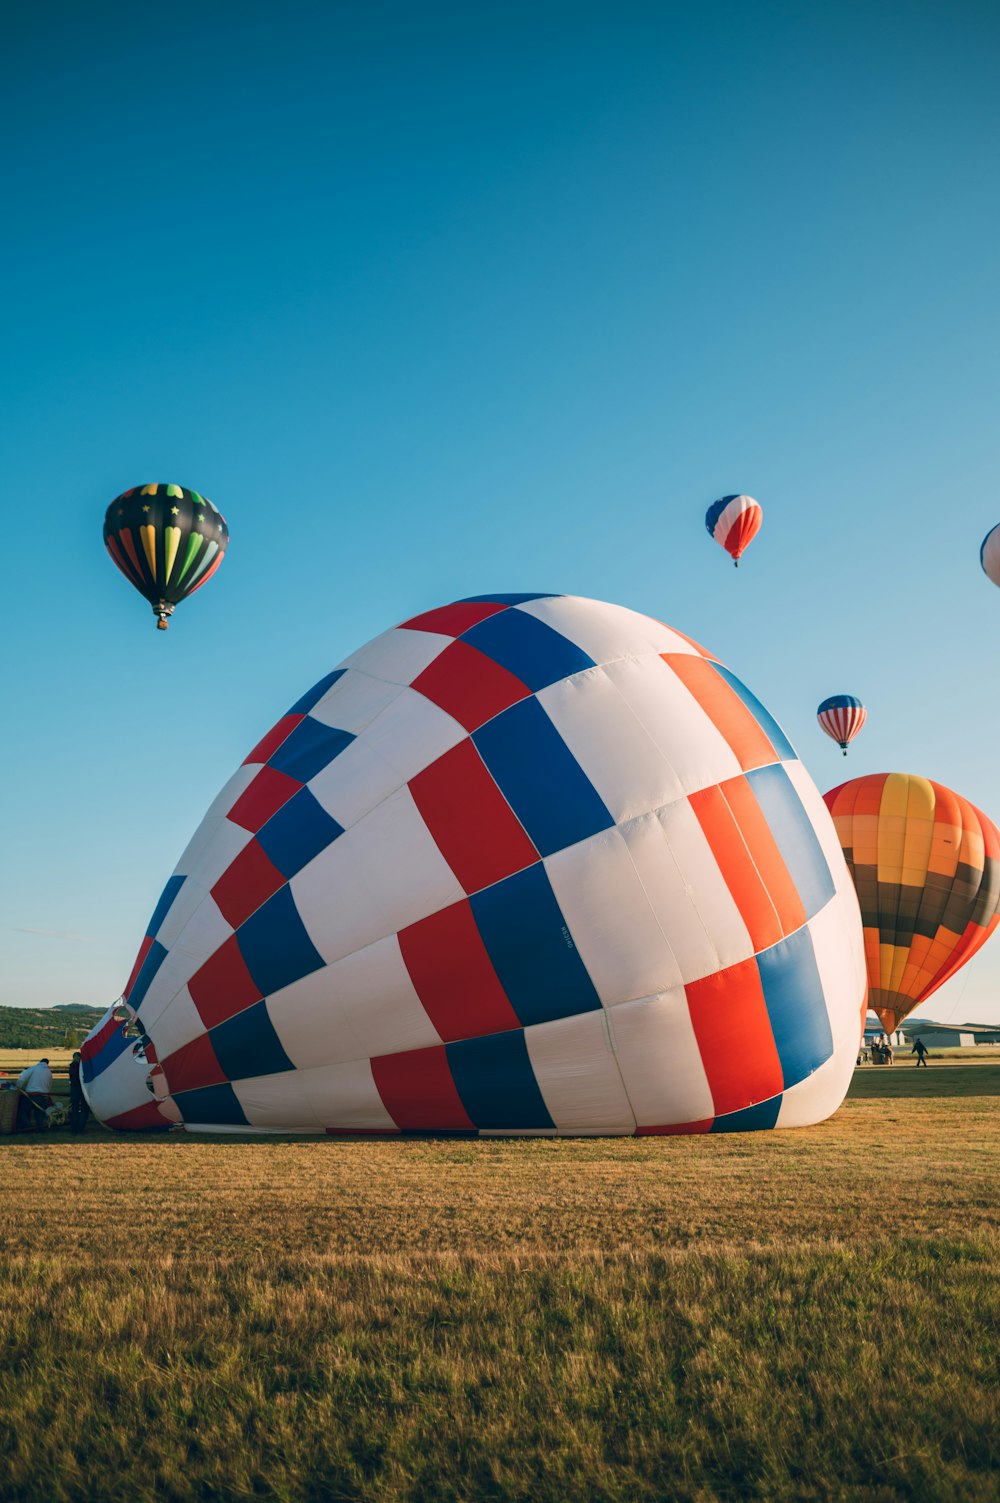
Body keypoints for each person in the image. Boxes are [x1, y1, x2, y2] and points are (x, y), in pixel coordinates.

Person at [16, 1057, 53, 1128]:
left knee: (21, 1110)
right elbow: (49, 1085)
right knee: (39, 1114)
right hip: (43, 1095)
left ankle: (26, 1126)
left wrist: (18, 1087)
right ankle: (39, 1128)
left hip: (31, 1095)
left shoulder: (34, 1068)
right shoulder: (49, 1072)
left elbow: (22, 1078)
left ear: (40, 1061)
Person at [68, 1051, 88, 1132]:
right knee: (84, 1109)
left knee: (74, 1109)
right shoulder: (83, 1067)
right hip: (82, 1089)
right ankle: (81, 1128)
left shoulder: (71, 1066)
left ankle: (74, 1128)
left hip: (74, 1089)